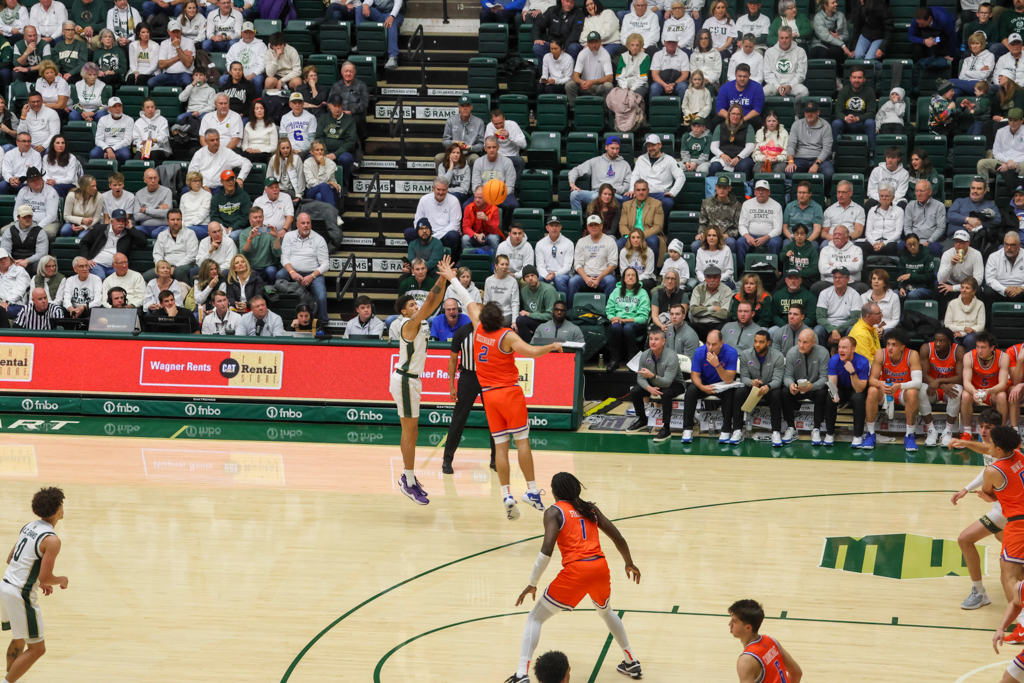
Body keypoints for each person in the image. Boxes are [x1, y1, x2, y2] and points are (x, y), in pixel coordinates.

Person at [440, 261, 564, 520]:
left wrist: (451, 276)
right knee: (522, 442)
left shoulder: (477, 327)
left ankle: (506, 494)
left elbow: (465, 298)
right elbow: (531, 351)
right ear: (501, 319)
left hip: (489, 395)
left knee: (501, 447)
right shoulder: (506, 335)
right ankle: (530, 490)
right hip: (508, 393)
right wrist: (551, 347)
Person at [509, 472, 640, 683]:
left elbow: (547, 549)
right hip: (599, 567)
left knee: (535, 618)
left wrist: (532, 583)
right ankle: (631, 660)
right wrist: (629, 562)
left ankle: (522, 674)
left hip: (577, 571)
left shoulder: (554, 511)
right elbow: (618, 537)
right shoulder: (590, 509)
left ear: (554, 492)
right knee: (606, 611)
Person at [386, 255, 452, 505]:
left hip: (411, 380)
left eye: (416, 304)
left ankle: (409, 478)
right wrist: (442, 278)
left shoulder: (419, 320)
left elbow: (432, 303)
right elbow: (429, 306)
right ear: (403, 310)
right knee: (410, 431)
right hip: (404, 380)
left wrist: (443, 281)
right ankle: (408, 480)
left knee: (412, 432)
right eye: (412, 304)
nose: (417, 306)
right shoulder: (407, 324)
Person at [0, 486, 67, 683]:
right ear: (56, 510)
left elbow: (11, 558)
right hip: (21, 593)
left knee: (20, 638)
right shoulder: (52, 540)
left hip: (5, 586)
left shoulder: (29, 526)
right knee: (38, 649)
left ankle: (9, 676)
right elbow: (47, 578)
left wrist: (37, 579)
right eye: (62, 505)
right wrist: (60, 579)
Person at [950, 408, 1011, 610]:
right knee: (1003, 539)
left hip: (1006, 510)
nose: (984, 431)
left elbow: (990, 479)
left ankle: (979, 592)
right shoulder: (1003, 448)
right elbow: (987, 469)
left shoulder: (1000, 452)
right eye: (982, 426)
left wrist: (989, 496)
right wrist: (967, 488)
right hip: (1006, 508)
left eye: (989, 428)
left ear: (998, 429)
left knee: (965, 539)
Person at [441, 320, 497, 474]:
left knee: (495, 419)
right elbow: (453, 360)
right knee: (458, 419)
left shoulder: (493, 331)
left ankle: (495, 459)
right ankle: (447, 459)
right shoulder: (462, 332)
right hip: (468, 377)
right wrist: (452, 385)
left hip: (488, 377)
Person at [680, 328, 739, 444]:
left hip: (723, 385)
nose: (710, 348)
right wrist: (702, 387)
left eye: (714, 344)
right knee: (691, 390)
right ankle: (687, 429)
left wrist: (717, 365)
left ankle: (726, 429)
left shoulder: (731, 352)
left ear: (721, 343)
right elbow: (694, 376)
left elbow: (729, 379)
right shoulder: (700, 352)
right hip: (705, 384)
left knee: (730, 393)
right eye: (708, 343)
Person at [627, 327, 684, 442]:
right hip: (653, 384)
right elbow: (640, 377)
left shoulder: (671, 356)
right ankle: (642, 420)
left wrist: (652, 376)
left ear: (663, 341)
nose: (652, 342)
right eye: (651, 339)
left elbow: (667, 382)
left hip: (675, 384)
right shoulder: (644, 355)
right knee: (635, 391)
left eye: (656, 339)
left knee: (666, 392)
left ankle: (666, 427)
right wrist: (649, 388)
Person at [728, 599, 802, 683]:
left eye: (734, 621)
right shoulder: (771, 641)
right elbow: (796, 672)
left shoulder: (746, 661)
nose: (730, 624)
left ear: (748, 627)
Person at [277, 213, 329, 328]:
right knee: (279, 275)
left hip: (313, 274)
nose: (306, 226)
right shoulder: (289, 236)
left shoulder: (319, 239)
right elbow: (284, 258)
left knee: (321, 294)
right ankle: (284, 314)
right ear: (297, 224)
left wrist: (312, 276)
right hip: (293, 271)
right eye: (303, 223)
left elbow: (326, 264)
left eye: (308, 223)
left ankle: (323, 322)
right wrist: (292, 272)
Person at [779, 326, 829, 444]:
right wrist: (791, 384)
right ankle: (791, 427)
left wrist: (812, 386)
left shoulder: (823, 353)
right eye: (799, 341)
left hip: (814, 386)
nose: (801, 345)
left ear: (813, 342)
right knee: (785, 391)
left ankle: (816, 428)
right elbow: (787, 376)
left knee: (823, 393)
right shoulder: (792, 352)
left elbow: (824, 378)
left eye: (805, 342)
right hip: (798, 388)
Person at [736, 328, 785, 444]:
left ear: (768, 343)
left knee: (777, 394)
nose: (757, 345)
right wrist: (751, 382)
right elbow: (743, 377)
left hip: (769, 387)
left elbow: (778, 379)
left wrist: (768, 386)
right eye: (755, 341)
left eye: (761, 342)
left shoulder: (778, 356)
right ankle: (737, 430)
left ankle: (776, 431)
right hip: (752, 386)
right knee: (739, 392)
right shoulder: (745, 354)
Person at [961, 330, 1010, 433]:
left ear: (992, 348)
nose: (979, 350)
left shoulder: (1003, 357)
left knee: (1002, 396)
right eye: (977, 346)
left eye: (983, 347)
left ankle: (1000, 431)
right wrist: (974, 392)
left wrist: (988, 391)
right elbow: (966, 382)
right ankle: (967, 432)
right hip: (975, 391)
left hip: (992, 392)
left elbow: (1002, 384)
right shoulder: (968, 356)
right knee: (965, 395)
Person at [825, 335, 869, 447]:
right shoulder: (834, 360)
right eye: (839, 347)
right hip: (841, 389)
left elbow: (860, 388)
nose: (840, 350)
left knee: (858, 399)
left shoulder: (863, 362)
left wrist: (852, 372)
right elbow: (832, 383)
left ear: (853, 349)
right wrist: (835, 394)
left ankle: (858, 436)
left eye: (844, 347)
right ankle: (829, 433)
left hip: (856, 389)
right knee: (830, 398)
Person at [78, 207, 146, 280]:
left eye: (123, 221)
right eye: (118, 220)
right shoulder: (99, 229)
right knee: (100, 276)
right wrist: (87, 259)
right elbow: (83, 243)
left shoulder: (128, 234)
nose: (121, 223)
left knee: (119, 278)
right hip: (97, 264)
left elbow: (143, 242)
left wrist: (131, 228)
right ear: (112, 221)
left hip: (117, 266)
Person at [567, 136, 631, 212]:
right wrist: (572, 183)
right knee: (574, 195)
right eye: (612, 148)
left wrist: (613, 190)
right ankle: (578, 221)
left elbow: (627, 185)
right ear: (606, 147)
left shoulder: (625, 164)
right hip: (596, 193)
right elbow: (575, 170)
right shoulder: (595, 161)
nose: (615, 151)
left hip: (614, 195)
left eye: (617, 149)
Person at [776, 100, 833, 185]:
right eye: (807, 112)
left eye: (812, 112)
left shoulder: (826, 126)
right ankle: (801, 193)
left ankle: (823, 195)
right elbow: (791, 144)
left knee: (829, 173)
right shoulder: (797, 124)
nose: (809, 114)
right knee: (789, 172)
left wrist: (816, 163)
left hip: (819, 159)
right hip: (800, 158)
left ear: (818, 112)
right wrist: (791, 162)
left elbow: (827, 149)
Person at [604, 266, 649, 371]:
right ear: (623, 279)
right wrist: (612, 318)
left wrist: (624, 320)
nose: (630, 277)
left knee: (628, 328)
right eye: (628, 275)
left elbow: (643, 318)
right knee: (615, 328)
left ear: (637, 279)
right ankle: (614, 360)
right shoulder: (616, 291)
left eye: (633, 275)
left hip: (636, 323)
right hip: (618, 321)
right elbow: (609, 310)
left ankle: (632, 360)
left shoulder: (642, 293)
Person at [627, 135, 684, 217]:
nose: (650, 148)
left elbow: (681, 177)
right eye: (648, 146)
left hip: (660, 193)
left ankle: (661, 228)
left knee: (668, 203)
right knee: (626, 199)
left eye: (653, 145)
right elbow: (635, 176)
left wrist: (672, 192)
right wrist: (632, 189)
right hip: (643, 192)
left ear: (660, 145)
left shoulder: (669, 160)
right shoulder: (641, 159)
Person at [568, 215, 618, 303]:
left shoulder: (610, 241)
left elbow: (613, 264)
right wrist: (586, 278)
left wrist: (598, 278)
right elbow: (577, 264)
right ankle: (570, 312)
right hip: (585, 277)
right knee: (573, 281)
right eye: (591, 225)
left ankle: (609, 312)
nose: (593, 227)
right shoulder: (581, 241)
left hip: (603, 277)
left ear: (601, 226)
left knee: (610, 281)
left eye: (596, 224)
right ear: (587, 227)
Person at [707, 103, 756, 190]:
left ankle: (742, 191)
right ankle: (713, 193)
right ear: (729, 114)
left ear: (741, 116)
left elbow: (750, 146)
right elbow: (713, 146)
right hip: (723, 157)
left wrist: (739, 157)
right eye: (733, 113)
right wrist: (722, 155)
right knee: (715, 166)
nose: (735, 116)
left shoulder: (748, 127)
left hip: (741, 157)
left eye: (738, 114)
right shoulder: (720, 127)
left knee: (743, 166)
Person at [910, 6, 957, 93]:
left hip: (941, 36)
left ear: (929, 19)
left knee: (936, 48)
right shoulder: (917, 20)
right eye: (918, 24)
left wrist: (951, 55)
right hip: (925, 37)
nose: (919, 25)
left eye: (921, 24)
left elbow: (952, 37)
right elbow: (910, 36)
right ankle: (917, 83)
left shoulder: (944, 19)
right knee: (917, 49)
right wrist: (924, 41)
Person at [314, 95, 357, 188]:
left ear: (342, 106)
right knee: (312, 157)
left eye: (339, 106)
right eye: (334, 106)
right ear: (329, 106)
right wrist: (324, 152)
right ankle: (317, 185)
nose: (337, 109)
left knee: (346, 159)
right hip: (324, 151)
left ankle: (344, 186)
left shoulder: (349, 120)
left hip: (342, 152)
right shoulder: (323, 118)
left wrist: (335, 154)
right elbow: (318, 137)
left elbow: (350, 142)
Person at [187, 130, 252, 191]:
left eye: (217, 139)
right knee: (185, 191)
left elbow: (247, 163)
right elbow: (191, 173)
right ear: (206, 141)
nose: (215, 142)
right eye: (212, 140)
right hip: (201, 188)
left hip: (220, 189)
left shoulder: (227, 153)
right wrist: (202, 186)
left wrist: (240, 178)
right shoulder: (199, 153)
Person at [978, 107, 1024, 192]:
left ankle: (1020, 192)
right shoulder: (1001, 131)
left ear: (1022, 120)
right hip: (1002, 163)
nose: (1012, 123)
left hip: (1019, 164)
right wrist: (1007, 161)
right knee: (982, 164)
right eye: (1010, 120)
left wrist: (1012, 162)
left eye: (1015, 120)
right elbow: (996, 151)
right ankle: (985, 191)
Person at [736, 178, 782, 263]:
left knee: (776, 243)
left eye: (763, 190)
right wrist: (747, 236)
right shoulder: (747, 204)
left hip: (769, 237)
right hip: (750, 236)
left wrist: (764, 238)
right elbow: (742, 225)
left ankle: (772, 268)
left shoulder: (776, 206)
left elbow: (778, 229)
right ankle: (742, 270)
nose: (760, 192)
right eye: (758, 190)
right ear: (754, 192)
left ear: (769, 192)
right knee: (740, 242)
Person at [617, 180, 665, 259]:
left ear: (648, 191)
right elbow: (622, 225)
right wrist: (631, 237)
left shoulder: (657, 204)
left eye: (643, 190)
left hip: (648, 235)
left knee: (652, 241)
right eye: (638, 190)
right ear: (634, 191)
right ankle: (622, 271)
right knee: (618, 244)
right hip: (630, 235)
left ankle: (655, 270)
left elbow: (658, 226)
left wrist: (640, 236)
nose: (641, 192)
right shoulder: (626, 205)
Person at [814, 267, 860, 348]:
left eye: (841, 277)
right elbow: (820, 317)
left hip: (846, 326)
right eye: (835, 277)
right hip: (828, 326)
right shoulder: (824, 293)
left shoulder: (854, 295)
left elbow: (855, 318)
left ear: (848, 279)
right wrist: (832, 330)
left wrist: (837, 330)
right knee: (817, 330)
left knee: (853, 330)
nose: (837, 280)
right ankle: (823, 355)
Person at [566, 31, 615, 106]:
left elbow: (610, 78)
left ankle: (605, 109)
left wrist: (593, 82)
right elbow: (575, 75)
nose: (594, 45)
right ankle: (574, 108)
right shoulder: (582, 53)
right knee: (569, 85)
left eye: (596, 42)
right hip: (584, 86)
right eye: (591, 42)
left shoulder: (605, 54)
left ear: (600, 42)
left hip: (599, 86)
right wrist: (581, 82)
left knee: (608, 86)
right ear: (587, 43)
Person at [695, 175, 740, 254]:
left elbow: (738, 227)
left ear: (729, 188)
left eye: (725, 188)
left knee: (731, 243)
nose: (721, 190)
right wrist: (702, 233)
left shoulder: (736, 205)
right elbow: (703, 223)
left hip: (725, 236)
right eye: (719, 187)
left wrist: (727, 235)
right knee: (694, 246)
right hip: (710, 235)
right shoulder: (706, 202)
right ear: (715, 187)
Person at [711, 63, 764, 131]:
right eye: (739, 76)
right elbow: (720, 109)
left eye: (745, 76)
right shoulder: (725, 87)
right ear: (735, 75)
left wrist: (741, 120)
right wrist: (732, 118)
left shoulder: (757, 87)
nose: (742, 79)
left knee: (758, 120)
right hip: (729, 116)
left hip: (747, 117)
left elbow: (757, 110)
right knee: (716, 120)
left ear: (749, 76)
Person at [149, 209, 199, 282]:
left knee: (178, 272)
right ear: (168, 221)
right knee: (146, 276)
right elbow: (157, 254)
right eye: (173, 219)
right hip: (166, 266)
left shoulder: (190, 233)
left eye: (178, 219)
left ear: (181, 220)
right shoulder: (162, 235)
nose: (176, 222)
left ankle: (187, 292)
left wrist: (175, 267)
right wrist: (162, 268)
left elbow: (192, 255)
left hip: (184, 266)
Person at [472, 136, 519, 213]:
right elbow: (475, 185)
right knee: (466, 205)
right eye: (489, 147)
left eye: (494, 147)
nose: (491, 150)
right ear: (485, 148)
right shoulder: (478, 162)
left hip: (502, 195)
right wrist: (485, 195)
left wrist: (497, 195)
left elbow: (510, 186)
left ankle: (505, 225)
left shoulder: (507, 162)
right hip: (484, 195)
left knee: (514, 205)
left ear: (498, 147)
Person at [437, 95, 485, 167]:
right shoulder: (451, 120)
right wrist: (453, 143)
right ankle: (442, 178)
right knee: (438, 158)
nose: (465, 108)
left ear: (471, 107)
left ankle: (473, 178)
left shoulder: (479, 122)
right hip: (453, 153)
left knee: (475, 158)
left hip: (469, 154)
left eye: (467, 106)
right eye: (462, 106)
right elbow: (444, 141)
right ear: (459, 107)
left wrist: (470, 147)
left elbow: (481, 145)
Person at [938, 230, 985, 302]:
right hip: (951, 284)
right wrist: (951, 265)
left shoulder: (976, 254)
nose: (958, 244)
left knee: (978, 290)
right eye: (956, 242)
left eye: (962, 242)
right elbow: (941, 280)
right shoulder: (947, 254)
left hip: (968, 286)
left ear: (968, 243)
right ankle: (942, 313)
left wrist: (955, 288)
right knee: (939, 288)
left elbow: (978, 280)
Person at [902, 180, 945, 258]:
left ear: (930, 192)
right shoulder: (910, 206)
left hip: (931, 241)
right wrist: (913, 241)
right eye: (917, 191)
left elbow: (940, 228)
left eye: (921, 191)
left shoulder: (939, 206)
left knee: (935, 248)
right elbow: (907, 227)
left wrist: (929, 241)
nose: (918, 194)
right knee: (900, 246)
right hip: (913, 240)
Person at [688, 265, 733, 340]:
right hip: (699, 324)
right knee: (687, 327)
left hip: (718, 324)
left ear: (719, 278)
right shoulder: (698, 289)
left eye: (715, 277)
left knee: (727, 327)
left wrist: (702, 309)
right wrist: (714, 308)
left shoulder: (726, 290)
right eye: (709, 277)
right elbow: (693, 310)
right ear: (705, 279)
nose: (712, 280)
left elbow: (725, 314)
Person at [12, 167, 58, 238]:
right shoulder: (23, 191)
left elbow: (52, 216)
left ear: (42, 179)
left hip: (47, 223)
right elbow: (16, 211)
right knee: (5, 230)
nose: (36, 182)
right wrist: (18, 224)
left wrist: (36, 228)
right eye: (33, 180)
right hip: (24, 222)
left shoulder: (51, 192)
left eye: (38, 179)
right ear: (28, 182)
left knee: (49, 233)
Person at [1, 205, 46, 277]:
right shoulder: (9, 231)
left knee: (42, 263)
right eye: (24, 217)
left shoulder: (40, 231)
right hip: (13, 262)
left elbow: (42, 253)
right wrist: (13, 261)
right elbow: (5, 251)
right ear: (18, 217)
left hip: (32, 263)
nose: (27, 219)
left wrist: (27, 261)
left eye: (29, 216)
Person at [986, 231, 1024, 314]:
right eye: (1006, 244)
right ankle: (989, 326)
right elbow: (990, 279)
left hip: (1020, 291)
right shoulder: (994, 257)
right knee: (987, 292)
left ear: (1019, 245)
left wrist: (1021, 288)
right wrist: (1005, 290)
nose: (1009, 248)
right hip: (1000, 291)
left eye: (1012, 245)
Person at [763, 26, 808, 97]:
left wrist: (789, 86)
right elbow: (767, 74)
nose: (784, 40)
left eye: (786, 38)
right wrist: (778, 86)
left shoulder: (800, 51)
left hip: (793, 85)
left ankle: (794, 108)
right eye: (781, 38)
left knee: (804, 92)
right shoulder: (769, 52)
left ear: (791, 38)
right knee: (764, 92)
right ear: (778, 38)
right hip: (775, 85)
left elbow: (801, 74)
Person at [515, 265, 556, 343]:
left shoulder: (548, 290)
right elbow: (527, 311)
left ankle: (529, 348)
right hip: (535, 321)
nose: (530, 278)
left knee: (521, 320)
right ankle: (527, 348)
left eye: (532, 275)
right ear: (524, 279)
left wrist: (529, 315)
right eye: (527, 276)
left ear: (537, 276)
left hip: (548, 323)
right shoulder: (524, 291)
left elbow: (551, 316)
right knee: (518, 322)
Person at [768, 272, 815, 338]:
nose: (793, 281)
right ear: (786, 280)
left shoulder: (809, 296)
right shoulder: (777, 295)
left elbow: (811, 317)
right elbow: (774, 315)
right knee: (771, 331)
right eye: (790, 278)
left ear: (800, 280)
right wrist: (785, 326)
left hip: (802, 326)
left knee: (813, 333)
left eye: (796, 278)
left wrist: (798, 326)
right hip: (782, 325)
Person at [222, 21, 265, 92]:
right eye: (246, 32)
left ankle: (257, 101)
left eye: (250, 32)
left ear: (254, 33)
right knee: (222, 79)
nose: (248, 35)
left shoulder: (261, 45)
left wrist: (252, 75)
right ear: (242, 33)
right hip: (236, 75)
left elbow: (262, 65)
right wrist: (235, 75)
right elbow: (229, 64)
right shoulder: (234, 46)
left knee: (258, 80)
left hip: (254, 75)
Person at [945, 276, 984, 350]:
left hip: (972, 334)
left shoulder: (980, 304)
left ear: (974, 291)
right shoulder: (952, 303)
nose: (964, 290)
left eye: (967, 288)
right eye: (962, 287)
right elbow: (947, 324)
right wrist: (964, 328)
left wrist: (963, 333)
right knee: (954, 340)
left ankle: (970, 360)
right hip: (955, 332)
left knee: (970, 339)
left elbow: (981, 326)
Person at [133, 168, 173, 237]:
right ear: (144, 179)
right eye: (150, 178)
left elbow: (165, 214)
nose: (153, 181)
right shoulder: (139, 194)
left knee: (156, 233)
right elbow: (137, 216)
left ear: (158, 178)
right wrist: (157, 211)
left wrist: (146, 210)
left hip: (162, 226)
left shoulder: (167, 191)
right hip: (144, 228)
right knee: (134, 231)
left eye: (155, 178)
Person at [132, 99, 171, 165]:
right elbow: (136, 139)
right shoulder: (138, 122)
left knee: (153, 155)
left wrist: (154, 141)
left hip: (160, 149)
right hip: (143, 149)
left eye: (152, 107)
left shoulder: (162, 120)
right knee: (136, 161)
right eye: (147, 107)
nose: (150, 109)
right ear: (143, 109)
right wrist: (141, 147)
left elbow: (164, 136)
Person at [240, 100, 277, 165]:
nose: (259, 110)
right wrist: (247, 149)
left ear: (264, 110)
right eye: (256, 108)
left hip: (265, 153)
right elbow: (244, 145)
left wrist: (259, 150)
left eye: (261, 108)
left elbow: (273, 147)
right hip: (250, 153)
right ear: (253, 111)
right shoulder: (248, 125)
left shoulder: (271, 125)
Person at [0, 247, 30, 314]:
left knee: (1, 312)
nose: (3, 261)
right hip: (1, 304)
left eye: (5, 258)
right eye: (0, 259)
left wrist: (7, 302)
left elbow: (19, 291)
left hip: (17, 305)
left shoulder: (19, 270)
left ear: (9, 258)